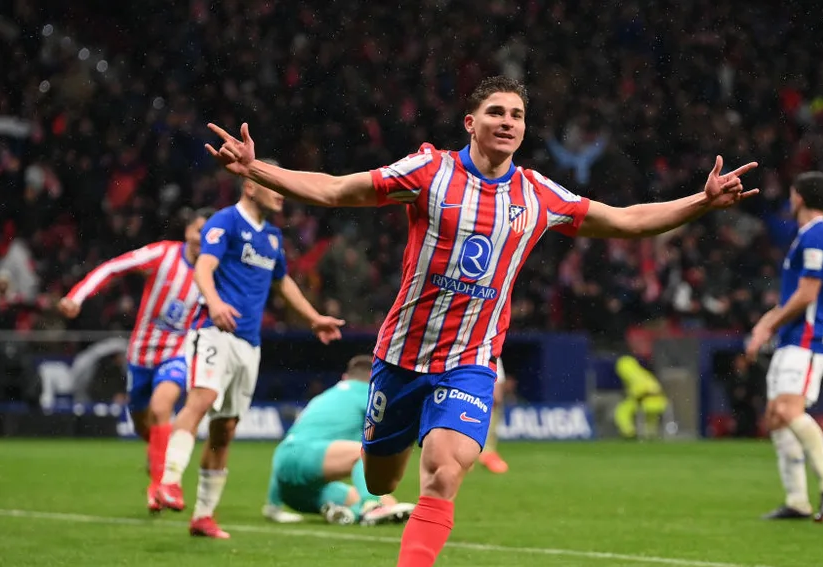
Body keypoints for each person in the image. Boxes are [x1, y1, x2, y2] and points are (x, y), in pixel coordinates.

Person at [206, 75, 756, 565]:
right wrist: (255, 168)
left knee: (445, 471)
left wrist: (699, 203)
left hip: (471, 361)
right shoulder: (429, 171)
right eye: (496, 112)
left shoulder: (538, 195)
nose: (507, 122)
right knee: (380, 478)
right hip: (401, 356)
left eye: (517, 115)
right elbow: (334, 188)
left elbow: (628, 221)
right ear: (470, 123)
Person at [154, 165, 345, 539]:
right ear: (250, 186)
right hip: (213, 332)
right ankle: (169, 480)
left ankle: (203, 517)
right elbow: (203, 270)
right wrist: (214, 304)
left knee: (224, 430)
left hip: (249, 344)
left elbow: (283, 282)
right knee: (202, 399)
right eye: (272, 186)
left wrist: (313, 318)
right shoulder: (224, 222)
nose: (280, 194)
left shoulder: (272, 238)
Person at [58, 208, 214, 513]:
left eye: (210, 234)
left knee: (161, 407)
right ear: (187, 233)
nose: (203, 239)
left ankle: (161, 486)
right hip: (141, 353)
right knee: (145, 424)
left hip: (179, 351)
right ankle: (158, 459)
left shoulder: (215, 270)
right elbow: (115, 267)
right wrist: (77, 296)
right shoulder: (163, 254)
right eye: (198, 231)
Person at [746, 171, 823, 523]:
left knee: (789, 410)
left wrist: (767, 324)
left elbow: (807, 294)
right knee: (776, 416)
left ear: (800, 197)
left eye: (792, 193)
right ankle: (797, 501)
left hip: (808, 337)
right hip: (792, 337)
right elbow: (795, 295)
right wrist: (767, 325)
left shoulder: (818, 235)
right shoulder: (806, 236)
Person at [263, 354, 415, 525]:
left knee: (389, 504)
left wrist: (274, 504)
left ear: (344, 377)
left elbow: (290, 450)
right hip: (308, 460)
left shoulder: (324, 396)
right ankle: (371, 507)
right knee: (364, 454)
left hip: (289, 483)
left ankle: (350, 514)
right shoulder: (371, 394)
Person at [613, 354, 668, 440]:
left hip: (645, 401)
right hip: (661, 402)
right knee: (651, 418)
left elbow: (638, 394)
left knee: (622, 410)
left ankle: (629, 432)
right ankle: (651, 434)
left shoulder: (632, 376)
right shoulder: (645, 373)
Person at [476, 357, 509, 473]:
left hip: (492, 348)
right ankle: (466, 450)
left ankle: (488, 452)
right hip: (470, 350)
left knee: (496, 398)